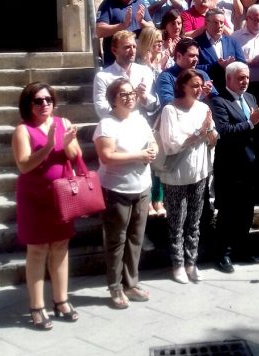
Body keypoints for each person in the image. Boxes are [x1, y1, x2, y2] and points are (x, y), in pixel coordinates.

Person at [12, 82, 82, 329]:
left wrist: (69, 140)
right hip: (34, 199)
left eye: (48, 100)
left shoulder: (62, 122)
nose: (44, 104)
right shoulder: (23, 130)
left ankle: (61, 300)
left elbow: (74, 156)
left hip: (60, 197)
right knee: (38, 250)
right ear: (28, 105)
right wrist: (50, 145)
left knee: (61, 247)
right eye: (38, 101)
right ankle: (37, 305)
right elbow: (24, 165)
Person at [93, 78, 156, 309]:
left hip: (142, 187)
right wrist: (138, 156)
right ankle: (115, 287)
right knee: (116, 240)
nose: (130, 97)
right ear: (113, 100)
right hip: (116, 189)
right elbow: (106, 156)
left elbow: (152, 142)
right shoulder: (106, 124)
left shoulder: (140, 119)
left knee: (136, 239)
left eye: (131, 93)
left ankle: (131, 283)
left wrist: (152, 151)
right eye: (123, 95)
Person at [210, 62, 259, 273]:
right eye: (240, 78)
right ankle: (224, 254)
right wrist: (252, 122)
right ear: (228, 79)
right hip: (231, 167)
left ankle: (241, 249)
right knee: (228, 213)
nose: (245, 81)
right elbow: (225, 132)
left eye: (246, 77)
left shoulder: (250, 98)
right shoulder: (219, 101)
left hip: (251, 165)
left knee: (246, 212)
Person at [158, 69, 218, 283]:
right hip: (176, 174)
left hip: (199, 172)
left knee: (194, 221)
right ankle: (178, 264)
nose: (198, 89)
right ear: (182, 86)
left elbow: (213, 139)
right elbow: (171, 144)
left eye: (200, 85)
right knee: (177, 222)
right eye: (194, 85)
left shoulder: (203, 108)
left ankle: (191, 262)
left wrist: (209, 131)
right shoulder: (170, 110)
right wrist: (198, 133)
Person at [135, 27, 168, 218]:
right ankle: (148, 201)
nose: (159, 44)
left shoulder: (162, 63)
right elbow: (146, 97)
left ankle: (158, 199)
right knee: (149, 159)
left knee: (160, 160)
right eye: (155, 40)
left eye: (160, 40)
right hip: (147, 117)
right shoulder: (140, 66)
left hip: (161, 115)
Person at [93, 30, 157, 119]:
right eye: (127, 47)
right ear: (114, 50)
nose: (132, 51)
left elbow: (152, 106)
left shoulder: (145, 72)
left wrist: (143, 97)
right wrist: (129, 102)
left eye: (134, 47)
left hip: (140, 124)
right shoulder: (103, 76)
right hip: (115, 125)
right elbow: (101, 110)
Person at [96, 0, 153, 66]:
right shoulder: (108, 4)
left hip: (138, 62)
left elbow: (152, 28)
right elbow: (99, 31)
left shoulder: (139, 2)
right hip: (115, 64)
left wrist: (141, 21)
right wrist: (123, 25)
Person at [230, 4, 259, 100]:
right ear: (247, 18)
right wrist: (252, 61)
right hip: (244, 86)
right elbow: (230, 62)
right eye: (256, 20)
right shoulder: (235, 37)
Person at [193, 8, 246, 92]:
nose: (219, 26)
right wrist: (217, 66)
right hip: (209, 91)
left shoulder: (232, 41)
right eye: (215, 22)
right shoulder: (196, 43)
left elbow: (242, 63)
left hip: (231, 90)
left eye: (222, 22)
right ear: (206, 23)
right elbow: (193, 68)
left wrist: (231, 65)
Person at [154, 38, 217, 107]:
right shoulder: (166, 77)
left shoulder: (202, 74)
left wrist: (207, 95)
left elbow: (216, 102)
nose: (196, 59)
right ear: (179, 56)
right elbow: (167, 103)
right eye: (191, 55)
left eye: (197, 56)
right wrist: (197, 94)